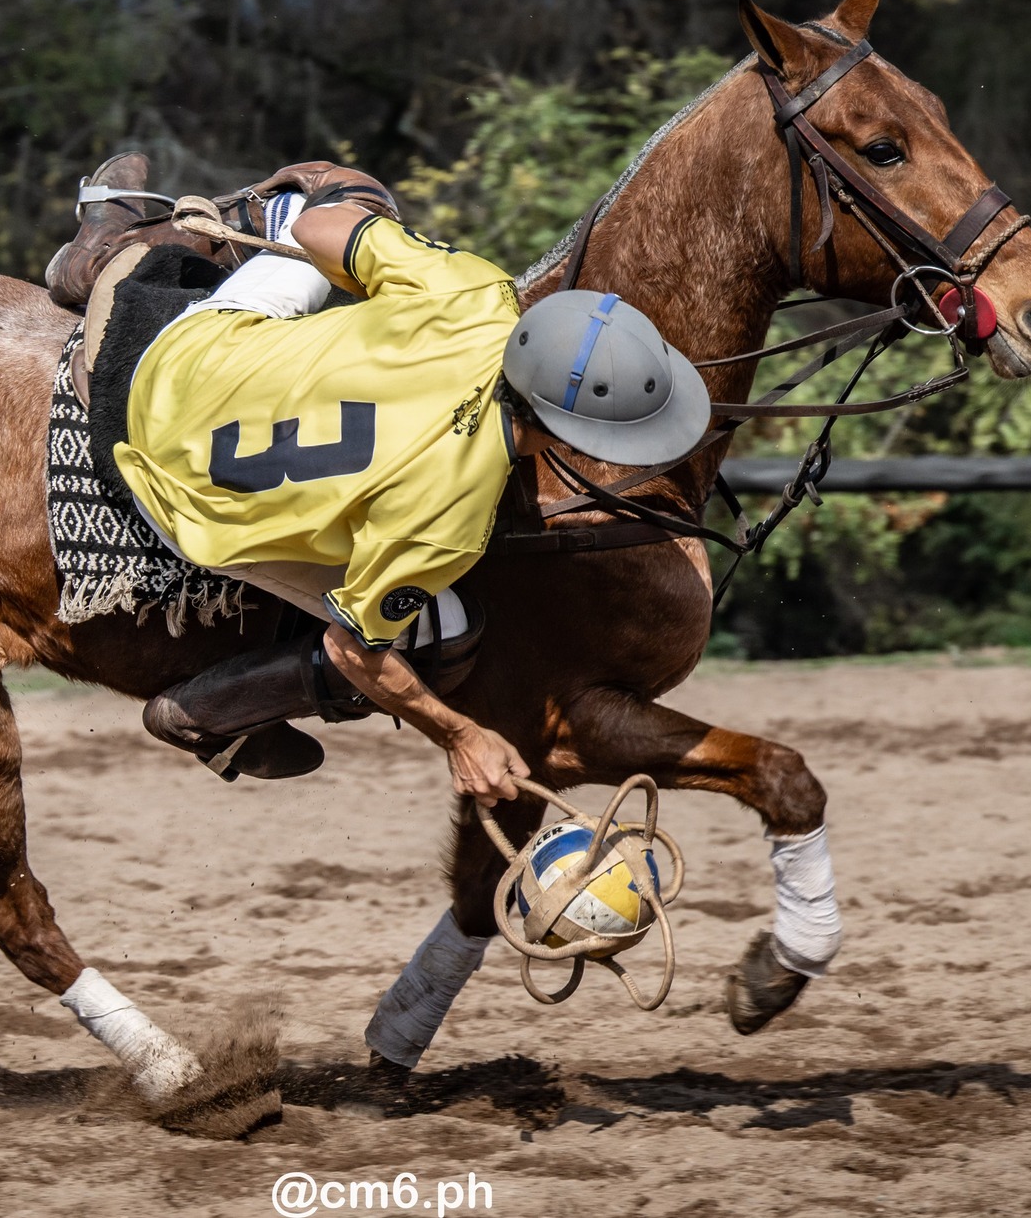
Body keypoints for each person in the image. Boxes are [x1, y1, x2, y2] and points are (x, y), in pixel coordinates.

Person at [54, 154, 710, 805]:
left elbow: (319, 231)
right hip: (173, 488)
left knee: (340, 197)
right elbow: (354, 650)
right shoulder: (450, 518)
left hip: (185, 355)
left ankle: (117, 237)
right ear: (574, 433)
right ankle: (211, 714)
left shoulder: (474, 292)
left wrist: (354, 213)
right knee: (444, 630)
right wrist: (460, 736)